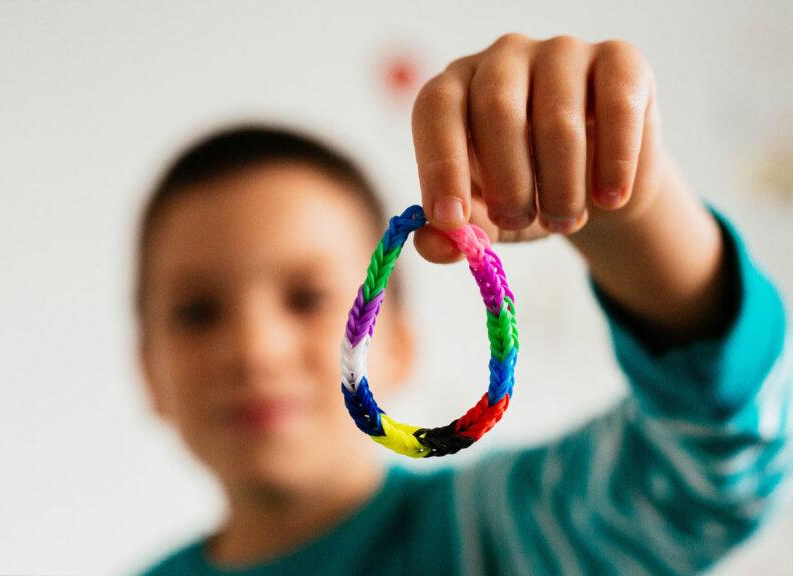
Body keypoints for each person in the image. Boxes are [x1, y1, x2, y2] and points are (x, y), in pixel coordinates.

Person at [133, 34, 791, 575]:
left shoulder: (497, 535)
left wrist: (631, 214)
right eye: (197, 312)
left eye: (305, 298)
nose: (254, 348)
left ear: (399, 344)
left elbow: (712, 474)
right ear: (148, 369)